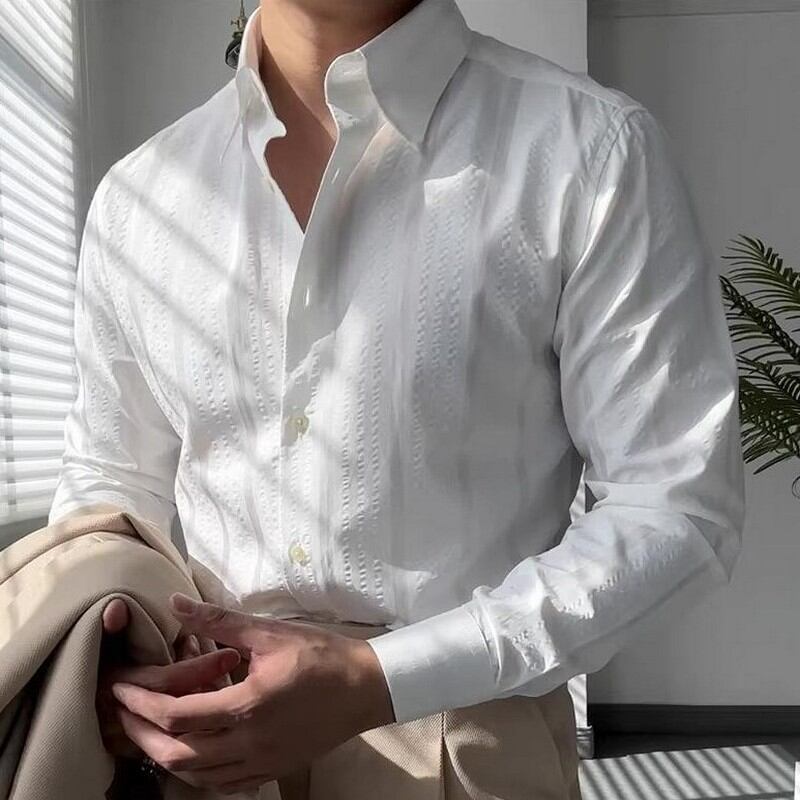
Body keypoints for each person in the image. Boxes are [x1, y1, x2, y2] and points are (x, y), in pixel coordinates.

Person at [48, 0, 746, 796]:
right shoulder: (141, 199)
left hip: (463, 744)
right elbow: (110, 480)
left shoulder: (586, 150)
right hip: (202, 747)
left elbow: (674, 504)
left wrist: (383, 678)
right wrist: (105, 655)